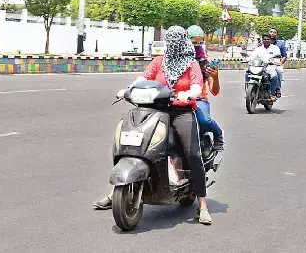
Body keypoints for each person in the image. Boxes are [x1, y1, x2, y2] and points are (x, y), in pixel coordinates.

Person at [94, 26, 212, 225]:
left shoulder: (191, 64)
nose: (173, 45)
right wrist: (128, 89)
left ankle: (202, 205)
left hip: (181, 111)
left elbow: (197, 85)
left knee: (192, 154)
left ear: (183, 41)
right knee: (133, 144)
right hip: (155, 110)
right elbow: (143, 78)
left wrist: (189, 93)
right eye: (170, 41)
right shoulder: (159, 61)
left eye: (177, 41)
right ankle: (116, 190)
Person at [187, 25, 225, 152]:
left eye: (199, 42)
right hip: (176, 98)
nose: (196, 46)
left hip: (198, 99)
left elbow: (214, 91)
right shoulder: (177, 59)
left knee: (204, 120)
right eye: (193, 42)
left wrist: (215, 77)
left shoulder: (204, 62)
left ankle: (218, 133)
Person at [245, 34, 280, 101]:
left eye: (268, 39)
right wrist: (248, 59)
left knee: (274, 76)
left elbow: (277, 58)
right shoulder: (258, 49)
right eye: (264, 39)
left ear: (270, 40)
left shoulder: (275, 48)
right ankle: (248, 92)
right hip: (258, 68)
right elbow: (252, 57)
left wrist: (275, 62)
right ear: (262, 40)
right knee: (247, 74)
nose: (266, 40)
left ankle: (272, 94)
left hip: (269, 67)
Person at [268, 28, 287, 98]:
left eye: (274, 32)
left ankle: (277, 88)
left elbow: (284, 56)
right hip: (264, 63)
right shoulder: (263, 43)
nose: (272, 33)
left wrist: (280, 63)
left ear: (277, 35)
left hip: (275, 64)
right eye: (271, 32)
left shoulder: (280, 44)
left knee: (279, 71)